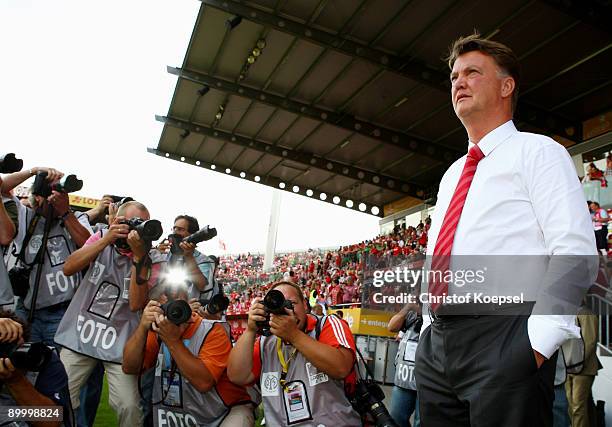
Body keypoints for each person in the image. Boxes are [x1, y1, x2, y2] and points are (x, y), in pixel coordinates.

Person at [414, 33, 597, 427]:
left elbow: (574, 250)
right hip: (439, 344)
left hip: (507, 336)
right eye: (454, 76)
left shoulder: (539, 152)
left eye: (472, 72)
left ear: (506, 85)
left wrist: (537, 342)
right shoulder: (450, 176)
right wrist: (430, 327)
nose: (458, 81)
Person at [54, 201, 151, 427]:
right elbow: (69, 268)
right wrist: (107, 238)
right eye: (133, 223)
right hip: (81, 335)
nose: (138, 230)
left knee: (129, 406)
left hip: (119, 341)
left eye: (143, 225)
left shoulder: (147, 256)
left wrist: (138, 257)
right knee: (59, 396)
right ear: (118, 221)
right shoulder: (100, 236)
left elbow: (137, 304)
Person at [227, 281, 362, 426]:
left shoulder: (326, 324)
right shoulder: (265, 343)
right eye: (280, 306)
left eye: (291, 303)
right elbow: (237, 376)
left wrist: (294, 335)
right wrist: (250, 330)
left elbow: (341, 367)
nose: (286, 311)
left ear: (305, 305)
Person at [122, 285, 254, 427]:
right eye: (169, 301)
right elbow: (130, 367)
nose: (175, 307)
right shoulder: (157, 330)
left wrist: (172, 341)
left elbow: (203, 382)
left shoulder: (213, 330)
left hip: (223, 412)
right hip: (179, 414)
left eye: (180, 299)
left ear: (188, 301)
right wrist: (142, 327)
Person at [1, 167, 92, 344]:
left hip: (64, 312)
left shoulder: (76, 218)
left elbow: (89, 245)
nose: (53, 198)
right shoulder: (25, 215)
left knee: (56, 367)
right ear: (37, 196)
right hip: (28, 310)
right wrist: (34, 171)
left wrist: (65, 212)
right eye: (48, 192)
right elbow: (2, 187)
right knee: (23, 364)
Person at [0, 311, 72, 427]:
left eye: (15, 344)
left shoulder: (41, 357)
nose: (9, 352)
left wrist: (15, 380)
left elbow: (51, 421)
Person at [565, 305, 602, 427]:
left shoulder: (586, 313)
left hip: (582, 368)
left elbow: (590, 342)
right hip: (569, 366)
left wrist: (576, 362)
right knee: (575, 406)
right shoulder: (568, 312)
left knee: (577, 407)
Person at [388, 303, 421, 427]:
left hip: (426, 381)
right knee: (396, 419)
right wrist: (408, 307)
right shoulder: (412, 314)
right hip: (404, 378)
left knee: (421, 422)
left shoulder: (438, 313)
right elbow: (391, 327)